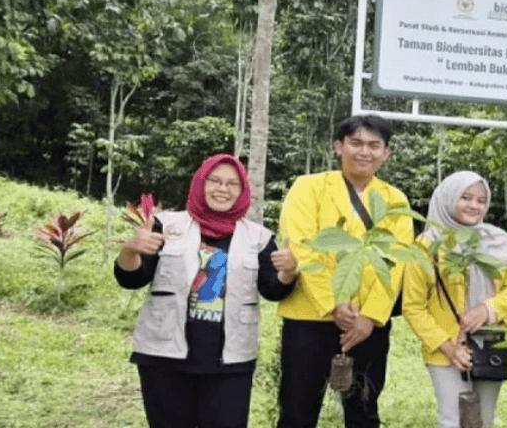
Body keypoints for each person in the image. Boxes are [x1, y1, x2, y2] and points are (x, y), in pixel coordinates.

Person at [115, 153, 298, 428]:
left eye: (232, 184)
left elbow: (272, 290)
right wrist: (129, 250)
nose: (223, 189)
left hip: (230, 361)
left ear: (243, 191)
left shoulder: (259, 238)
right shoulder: (166, 225)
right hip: (164, 356)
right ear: (200, 183)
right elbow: (132, 279)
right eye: (214, 181)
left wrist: (289, 271)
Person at [275, 114, 414, 428]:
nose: (364, 151)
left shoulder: (395, 200)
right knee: (297, 412)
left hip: (366, 326)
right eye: (356, 143)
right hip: (309, 319)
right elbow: (301, 247)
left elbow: (396, 262)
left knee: (363, 413)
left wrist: (371, 317)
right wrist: (333, 304)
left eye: (374, 145)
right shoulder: (308, 188)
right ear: (338, 146)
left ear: (386, 153)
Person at [402, 170, 507, 428]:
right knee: (453, 421)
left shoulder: (498, 240)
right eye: (465, 197)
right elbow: (413, 307)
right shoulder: (426, 246)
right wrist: (449, 349)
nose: (474, 205)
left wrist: (487, 309)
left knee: (483, 421)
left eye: (481, 200)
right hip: (446, 349)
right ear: (447, 198)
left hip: (491, 344)